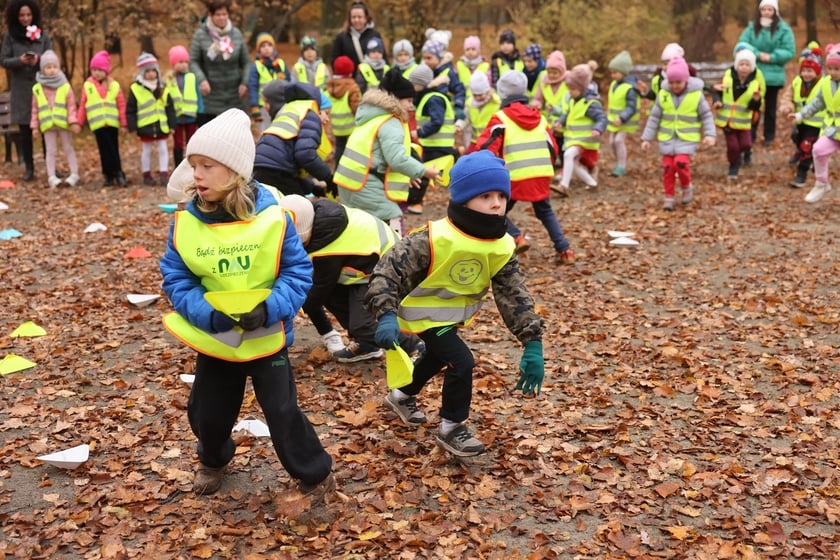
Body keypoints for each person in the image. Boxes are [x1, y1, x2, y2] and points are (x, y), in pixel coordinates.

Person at [159, 108, 335, 500]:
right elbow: (177, 277)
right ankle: (213, 459)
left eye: (207, 166)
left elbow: (297, 273)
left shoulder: (273, 218)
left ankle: (315, 472)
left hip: (266, 334)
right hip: (216, 336)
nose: (196, 175)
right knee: (208, 412)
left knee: (282, 411)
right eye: (193, 165)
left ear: (235, 171)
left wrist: (271, 307)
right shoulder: (186, 222)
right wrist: (207, 314)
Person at [365, 150, 546, 457]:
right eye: (485, 196)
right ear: (463, 200)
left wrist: (532, 342)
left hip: (446, 316)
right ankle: (452, 427)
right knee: (461, 361)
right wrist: (385, 314)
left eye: (502, 196)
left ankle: (401, 396)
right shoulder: (432, 238)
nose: (497, 203)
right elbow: (387, 272)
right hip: (414, 313)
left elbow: (514, 294)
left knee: (438, 356)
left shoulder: (502, 245)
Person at [276, 194, 425, 362]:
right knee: (331, 295)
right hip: (367, 265)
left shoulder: (327, 250)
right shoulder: (322, 219)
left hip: (389, 271)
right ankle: (368, 344)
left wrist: (284, 309)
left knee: (363, 324)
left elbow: (317, 292)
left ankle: (415, 346)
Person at [471, 70, 574, 265]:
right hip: (540, 173)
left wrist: (478, 166)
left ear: (502, 93)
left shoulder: (501, 118)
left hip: (514, 176)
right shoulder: (540, 118)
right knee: (545, 212)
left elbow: (485, 147)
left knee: (494, 211)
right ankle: (565, 250)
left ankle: (517, 237)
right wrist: (547, 168)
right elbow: (553, 148)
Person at [335, 68, 440, 234]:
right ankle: (394, 250)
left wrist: (408, 173)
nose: (411, 106)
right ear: (395, 99)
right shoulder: (391, 121)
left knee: (359, 225)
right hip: (365, 183)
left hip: (348, 180)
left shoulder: (372, 117)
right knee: (391, 218)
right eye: (408, 100)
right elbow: (396, 159)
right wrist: (424, 171)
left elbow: (379, 155)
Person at [641, 56, 717, 210]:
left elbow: (706, 116)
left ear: (686, 80)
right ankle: (669, 196)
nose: (675, 86)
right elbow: (654, 117)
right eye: (671, 82)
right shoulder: (663, 94)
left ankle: (686, 186)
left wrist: (710, 135)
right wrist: (646, 138)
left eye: (678, 82)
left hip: (687, 138)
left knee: (680, 163)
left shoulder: (696, 95)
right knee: (668, 168)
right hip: (667, 137)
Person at [0, 0, 53, 181]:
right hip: (21, 88)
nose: (25, 18)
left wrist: (39, 59)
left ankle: (51, 167)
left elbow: (51, 57)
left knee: (46, 127)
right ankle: (29, 168)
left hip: (42, 86)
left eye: (28, 15)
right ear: (16, 16)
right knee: (25, 129)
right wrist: (19, 61)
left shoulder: (43, 35)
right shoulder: (10, 35)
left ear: (34, 15)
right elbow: (4, 60)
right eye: (22, 15)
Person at [253, 81, 334, 197]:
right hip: (275, 170)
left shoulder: (290, 111)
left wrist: (312, 188)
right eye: (326, 113)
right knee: (298, 207)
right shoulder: (310, 114)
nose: (327, 119)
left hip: (262, 165)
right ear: (318, 109)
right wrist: (328, 178)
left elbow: (287, 169)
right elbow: (305, 154)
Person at [737, 0, 795, 145]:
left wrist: (772, 57)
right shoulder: (751, 28)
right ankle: (750, 135)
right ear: (760, 11)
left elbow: (789, 50)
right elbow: (743, 44)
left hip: (773, 76)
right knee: (752, 105)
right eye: (764, 9)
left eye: (770, 9)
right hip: (753, 74)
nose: (767, 12)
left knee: (770, 108)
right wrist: (758, 54)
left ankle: (769, 136)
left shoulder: (784, 30)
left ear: (775, 11)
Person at [189, 0, 250, 126]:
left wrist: (245, 82)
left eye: (224, 14)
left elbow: (246, 62)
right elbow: (193, 61)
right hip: (210, 96)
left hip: (234, 95)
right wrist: (201, 80)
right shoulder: (200, 35)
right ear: (210, 15)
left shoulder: (236, 34)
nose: (222, 18)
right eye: (218, 15)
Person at [792, 44, 840, 203]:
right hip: (832, 129)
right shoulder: (826, 83)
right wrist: (801, 115)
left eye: (837, 69)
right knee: (818, 150)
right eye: (830, 68)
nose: (833, 72)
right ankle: (821, 183)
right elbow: (817, 103)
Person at [407, 63, 457, 215]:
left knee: (424, 172)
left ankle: (416, 202)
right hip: (432, 143)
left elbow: (437, 121)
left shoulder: (434, 99)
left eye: (414, 84)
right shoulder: (428, 97)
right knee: (427, 171)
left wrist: (420, 132)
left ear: (421, 84)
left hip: (438, 144)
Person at [551, 64, 607, 195]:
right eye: (569, 88)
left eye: (573, 89)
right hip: (575, 139)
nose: (570, 92)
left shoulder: (590, 103)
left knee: (568, 155)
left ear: (582, 88)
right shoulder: (574, 100)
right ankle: (592, 184)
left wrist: (597, 129)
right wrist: (560, 122)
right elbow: (568, 114)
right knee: (574, 164)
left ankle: (564, 186)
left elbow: (602, 118)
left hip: (586, 139)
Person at [77, 50, 128, 187]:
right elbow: (83, 105)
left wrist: (124, 124)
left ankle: (118, 172)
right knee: (103, 150)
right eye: (94, 70)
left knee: (113, 149)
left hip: (112, 123)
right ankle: (108, 175)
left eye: (100, 70)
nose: (97, 73)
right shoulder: (88, 86)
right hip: (98, 124)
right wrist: (78, 122)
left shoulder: (114, 85)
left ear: (106, 71)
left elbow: (121, 105)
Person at [712, 48, 764, 182]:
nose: (744, 67)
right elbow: (717, 92)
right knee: (733, 146)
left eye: (747, 65)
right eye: (741, 64)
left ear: (752, 67)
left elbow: (754, 107)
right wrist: (717, 101)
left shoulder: (754, 84)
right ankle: (733, 167)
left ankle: (741, 155)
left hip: (744, 121)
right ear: (736, 65)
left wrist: (756, 100)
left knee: (746, 144)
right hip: (727, 121)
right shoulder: (727, 78)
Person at [30, 49, 79, 188]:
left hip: (64, 124)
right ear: (42, 69)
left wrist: (73, 121)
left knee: (68, 148)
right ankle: (51, 176)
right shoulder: (37, 88)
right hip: (48, 125)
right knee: (50, 151)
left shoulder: (65, 86)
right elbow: (34, 109)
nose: (51, 70)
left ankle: (74, 173)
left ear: (58, 68)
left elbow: (71, 105)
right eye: (48, 67)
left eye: (54, 67)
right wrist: (34, 127)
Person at [127, 52, 177, 186]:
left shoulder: (163, 87)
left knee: (163, 149)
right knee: (146, 150)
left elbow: (170, 108)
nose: (150, 74)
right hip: (145, 125)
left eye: (153, 71)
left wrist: (172, 125)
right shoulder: (136, 88)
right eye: (147, 71)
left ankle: (164, 173)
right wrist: (132, 126)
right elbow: (131, 109)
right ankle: (146, 174)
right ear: (142, 72)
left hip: (161, 124)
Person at [779, 45, 823, 188]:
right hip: (800, 121)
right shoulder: (797, 82)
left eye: (810, 71)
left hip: (817, 125)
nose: (806, 74)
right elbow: (787, 97)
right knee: (797, 139)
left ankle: (801, 175)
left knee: (806, 147)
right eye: (804, 70)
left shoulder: (824, 84)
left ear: (817, 71)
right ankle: (816, 163)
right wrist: (787, 108)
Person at [531, 51, 570, 173]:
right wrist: (537, 103)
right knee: (549, 145)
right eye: (549, 72)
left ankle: (564, 168)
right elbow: (538, 97)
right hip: (549, 122)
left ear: (562, 71)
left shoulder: (568, 82)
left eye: (555, 72)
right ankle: (550, 166)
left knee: (563, 146)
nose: (552, 75)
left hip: (564, 121)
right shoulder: (544, 82)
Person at [165, 45, 203, 167]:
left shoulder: (192, 77)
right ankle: (178, 166)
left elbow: (198, 95)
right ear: (173, 63)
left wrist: (200, 111)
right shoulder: (169, 79)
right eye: (180, 62)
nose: (184, 65)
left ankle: (191, 165)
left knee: (191, 142)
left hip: (191, 116)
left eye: (186, 62)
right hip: (176, 117)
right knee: (178, 143)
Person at [606, 50, 640, 177]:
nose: (612, 75)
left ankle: (621, 166)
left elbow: (631, 107)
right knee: (611, 142)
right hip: (614, 121)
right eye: (611, 72)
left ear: (624, 72)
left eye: (615, 72)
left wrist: (622, 118)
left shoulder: (630, 88)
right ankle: (618, 162)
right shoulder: (613, 85)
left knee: (618, 141)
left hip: (625, 122)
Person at [420, 38, 466, 129]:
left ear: (439, 57)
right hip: (430, 117)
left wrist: (458, 106)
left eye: (429, 58)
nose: (426, 61)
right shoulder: (426, 73)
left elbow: (459, 89)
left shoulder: (448, 73)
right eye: (424, 58)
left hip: (447, 116)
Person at [324, 55, 362, 165]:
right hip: (350, 127)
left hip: (335, 127)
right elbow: (356, 107)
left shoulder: (330, 86)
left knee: (339, 149)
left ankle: (338, 169)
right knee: (352, 150)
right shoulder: (353, 87)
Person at [248, 32, 289, 132]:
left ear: (273, 47)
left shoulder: (281, 64)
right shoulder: (256, 66)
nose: (267, 48)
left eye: (269, 45)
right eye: (263, 46)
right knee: (265, 130)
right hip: (263, 105)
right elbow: (253, 87)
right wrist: (254, 105)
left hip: (280, 104)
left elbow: (288, 84)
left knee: (281, 130)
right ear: (259, 49)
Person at [330, 1, 383, 69]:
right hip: (349, 75)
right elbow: (335, 62)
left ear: (366, 18)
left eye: (359, 17)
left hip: (370, 75)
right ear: (350, 19)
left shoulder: (374, 35)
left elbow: (383, 59)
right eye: (353, 17)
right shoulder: (341, 37)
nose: (356, 20)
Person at [461, 73, 500, 153]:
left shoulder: (497, 103)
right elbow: (466, 119)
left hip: (491, 142)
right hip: (475, 142)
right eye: (475, 95)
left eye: (480, 95)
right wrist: (459, 126)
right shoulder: (470, 103)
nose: (477, 98)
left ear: (487, 91)